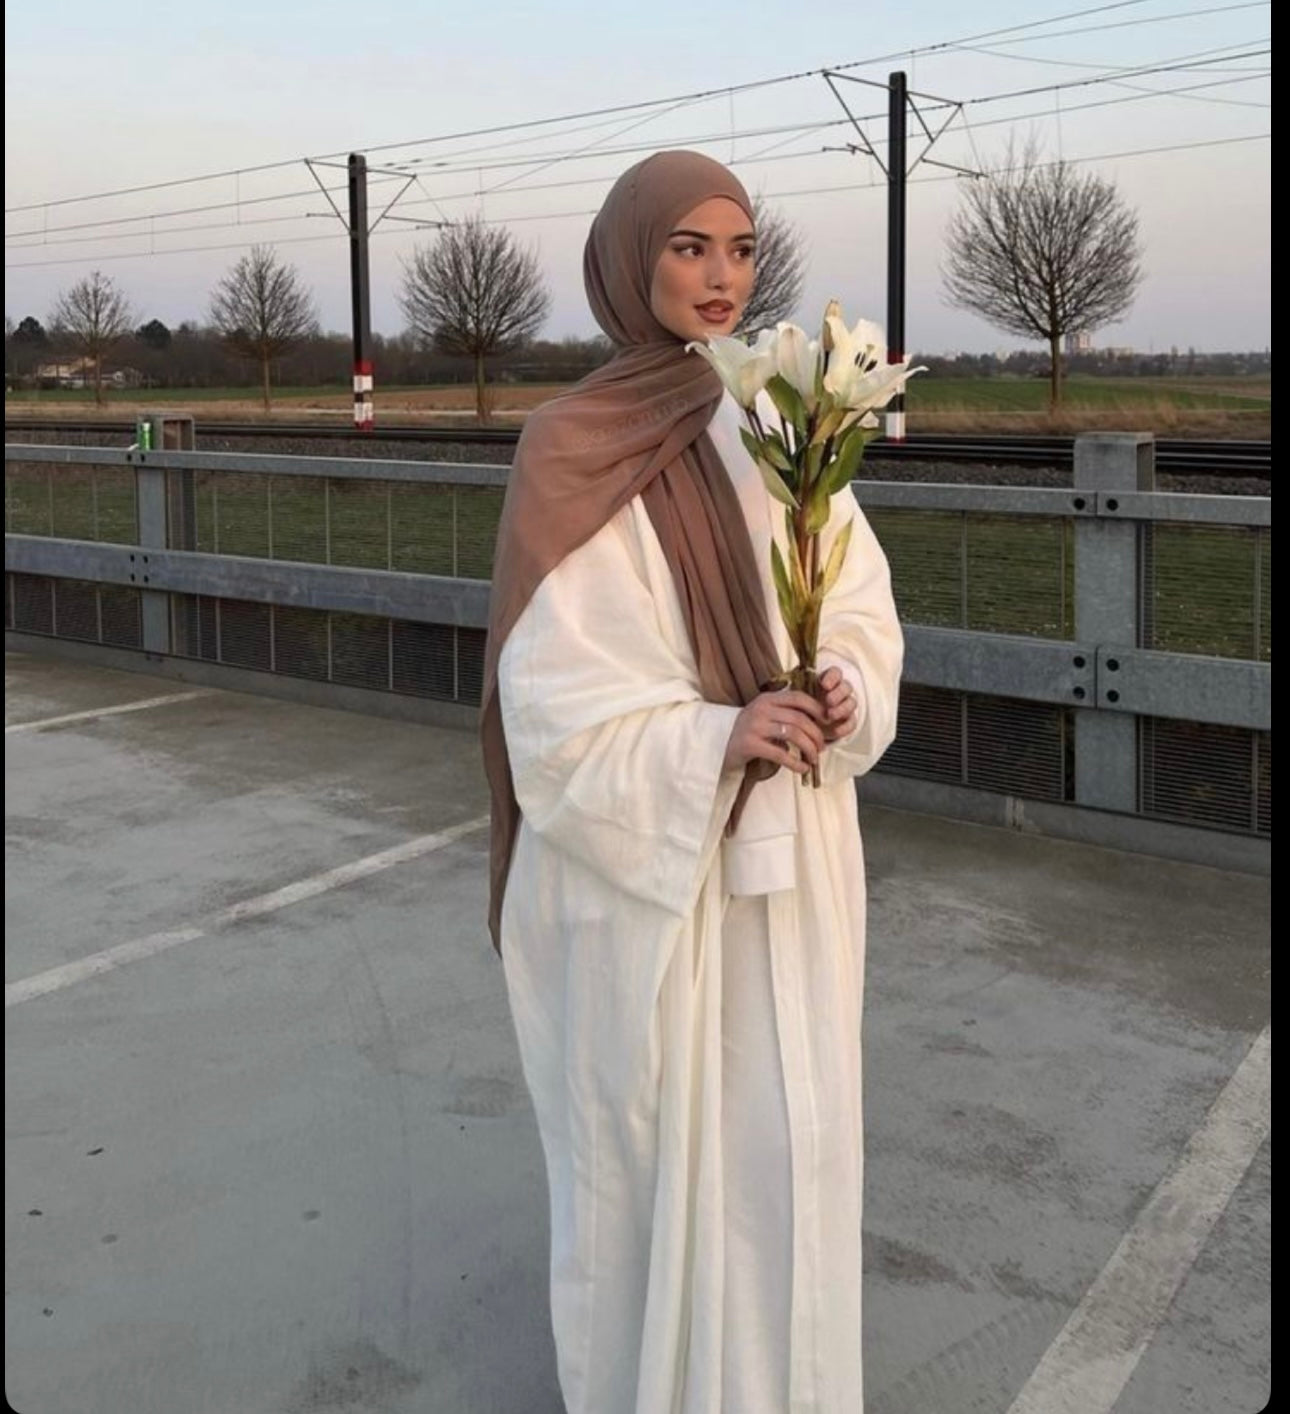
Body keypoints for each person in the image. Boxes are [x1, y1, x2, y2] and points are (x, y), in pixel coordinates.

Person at [480, 149, 904, 1414]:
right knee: (660, 1150)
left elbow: (857, 605)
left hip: (793, 860)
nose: (723, 277)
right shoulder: (569, 446)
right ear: (631, 262)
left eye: (741, 249)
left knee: (789, 1145)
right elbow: (552, 702)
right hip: (664, 878)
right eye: (689, 247)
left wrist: (842, 684)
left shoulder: (777, 419)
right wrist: (714, 736)